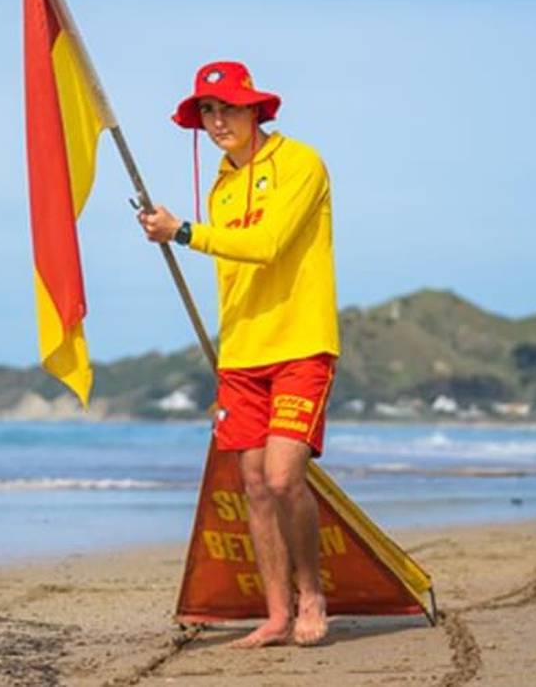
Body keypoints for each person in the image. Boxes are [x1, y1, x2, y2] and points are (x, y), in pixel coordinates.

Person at [138, 60, 338, 647]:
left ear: (256, 110)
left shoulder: (302, 162)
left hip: (302, 344)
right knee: (251, 482)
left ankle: (313, 594)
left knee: (282, 477)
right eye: (207, 110)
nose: (218, 120)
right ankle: (275, 613)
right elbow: (231, 274)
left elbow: (269, 245)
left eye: (228, 107)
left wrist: (184, 232)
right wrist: (227, 360)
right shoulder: (222, 186)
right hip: (243, 356)